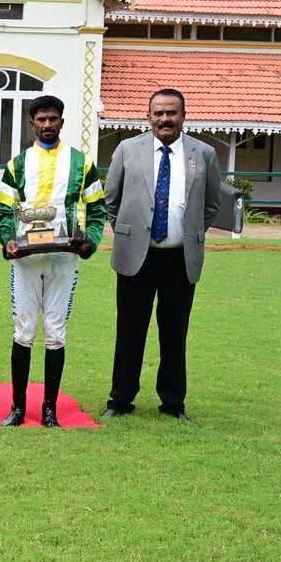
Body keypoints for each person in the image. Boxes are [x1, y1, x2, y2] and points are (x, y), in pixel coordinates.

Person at [103, 88, 221, 423]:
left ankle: (172, 403)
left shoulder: (205, 153)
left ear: (184, 116)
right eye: (158, 113)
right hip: (135, 257)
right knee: (129, 331)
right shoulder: (127, 150)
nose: (164, 119)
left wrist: (186, 233)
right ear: (148, 116)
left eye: (171, 113)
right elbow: (111, 201)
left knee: (174, 332)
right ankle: (120, 399)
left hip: (180, 259)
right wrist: (131, 231)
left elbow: (211, 206)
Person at [0, 95, 107, 428]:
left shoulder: (81, 162)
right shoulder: (17, 164)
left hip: (63, 259)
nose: (47, 125)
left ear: (62, 121)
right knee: (24, 330)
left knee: (55, 333)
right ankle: (17, 408)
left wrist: (88, 244)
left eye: (53, 119)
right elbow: (3, 209)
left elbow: (97, 210)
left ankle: (50, 409)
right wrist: (7, 238)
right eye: (41, 119)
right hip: (26, 261)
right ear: (32, 122)